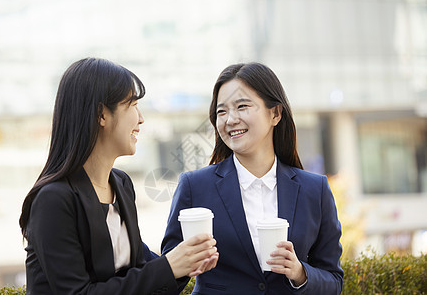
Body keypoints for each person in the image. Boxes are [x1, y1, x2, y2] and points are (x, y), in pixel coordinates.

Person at [19, 58, 218, 295]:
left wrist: (188, 262)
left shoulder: (121, 184)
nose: (141, 118)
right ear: (101, 114)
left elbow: (142, 271)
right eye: (132, 105)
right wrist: (169, 266)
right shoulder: (53, 199)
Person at [161, 62, 343, 294]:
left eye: (242, 106)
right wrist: (186, 265)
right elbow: (166, 277)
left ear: (275, 113)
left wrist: (299, 272)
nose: (230, 119)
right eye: (221, 111)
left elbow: (334, 281)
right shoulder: (195, 187)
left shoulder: (314, 190)